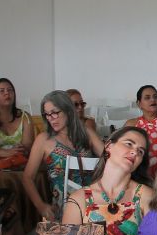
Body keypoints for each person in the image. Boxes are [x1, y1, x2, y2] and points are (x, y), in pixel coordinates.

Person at [62, 127, 154, 235]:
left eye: (140, 151)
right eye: (129, 144)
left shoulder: (146, 196)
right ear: (108, 146)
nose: (134, 152)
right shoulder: (78, 199)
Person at [23, 91, 104, 222]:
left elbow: (109, 159)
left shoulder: (87, 133)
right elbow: (27, 177)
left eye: (55, 112)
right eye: (47, 114)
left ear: (68, 110)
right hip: (63, 209)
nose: (51, 118)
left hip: (93, 203)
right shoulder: (44, 139)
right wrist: (41, 206)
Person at [124, 84, 157, 177]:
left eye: (156, 97)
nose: (153, 100)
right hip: (138, 169)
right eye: (147, 98)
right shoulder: (132, 124)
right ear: (139, 104)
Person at [0, 77, 34, 159]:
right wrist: (9, 153)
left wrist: (21, 151)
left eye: (10, 90)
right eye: (2, 91)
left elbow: (27, 145)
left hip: (19, 161)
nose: (7, 93)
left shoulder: (25, 117)